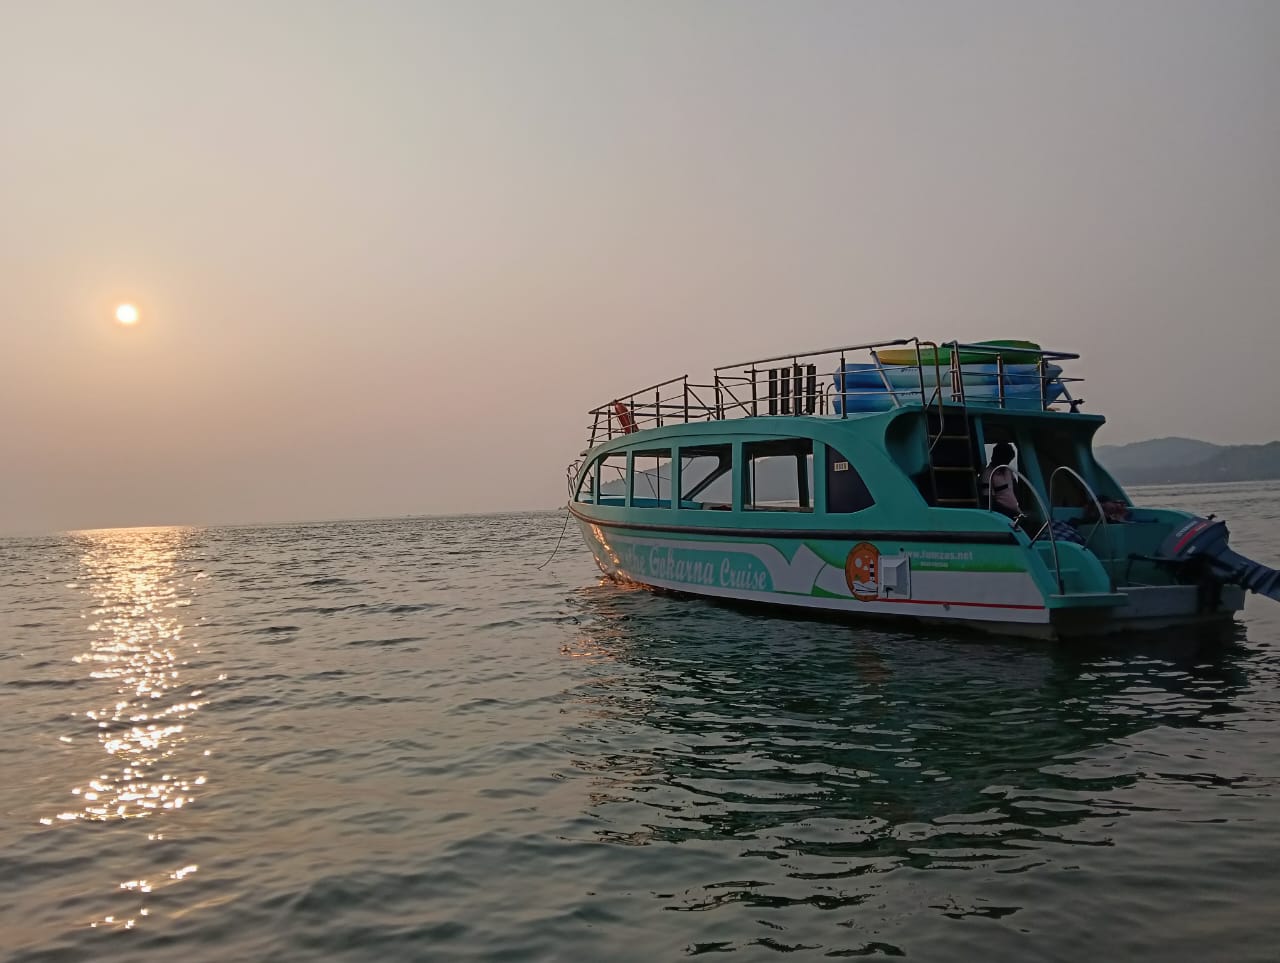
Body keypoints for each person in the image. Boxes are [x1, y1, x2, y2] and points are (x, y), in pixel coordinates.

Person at [978, 442, 1021, 519]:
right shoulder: (987, 475)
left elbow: (1015, 488)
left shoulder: (1008, 470)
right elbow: (989, 502)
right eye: (1006, 460)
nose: (1007, 463)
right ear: (997, 458)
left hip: (1016, 512)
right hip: (1003, 517)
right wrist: (1011, 514)